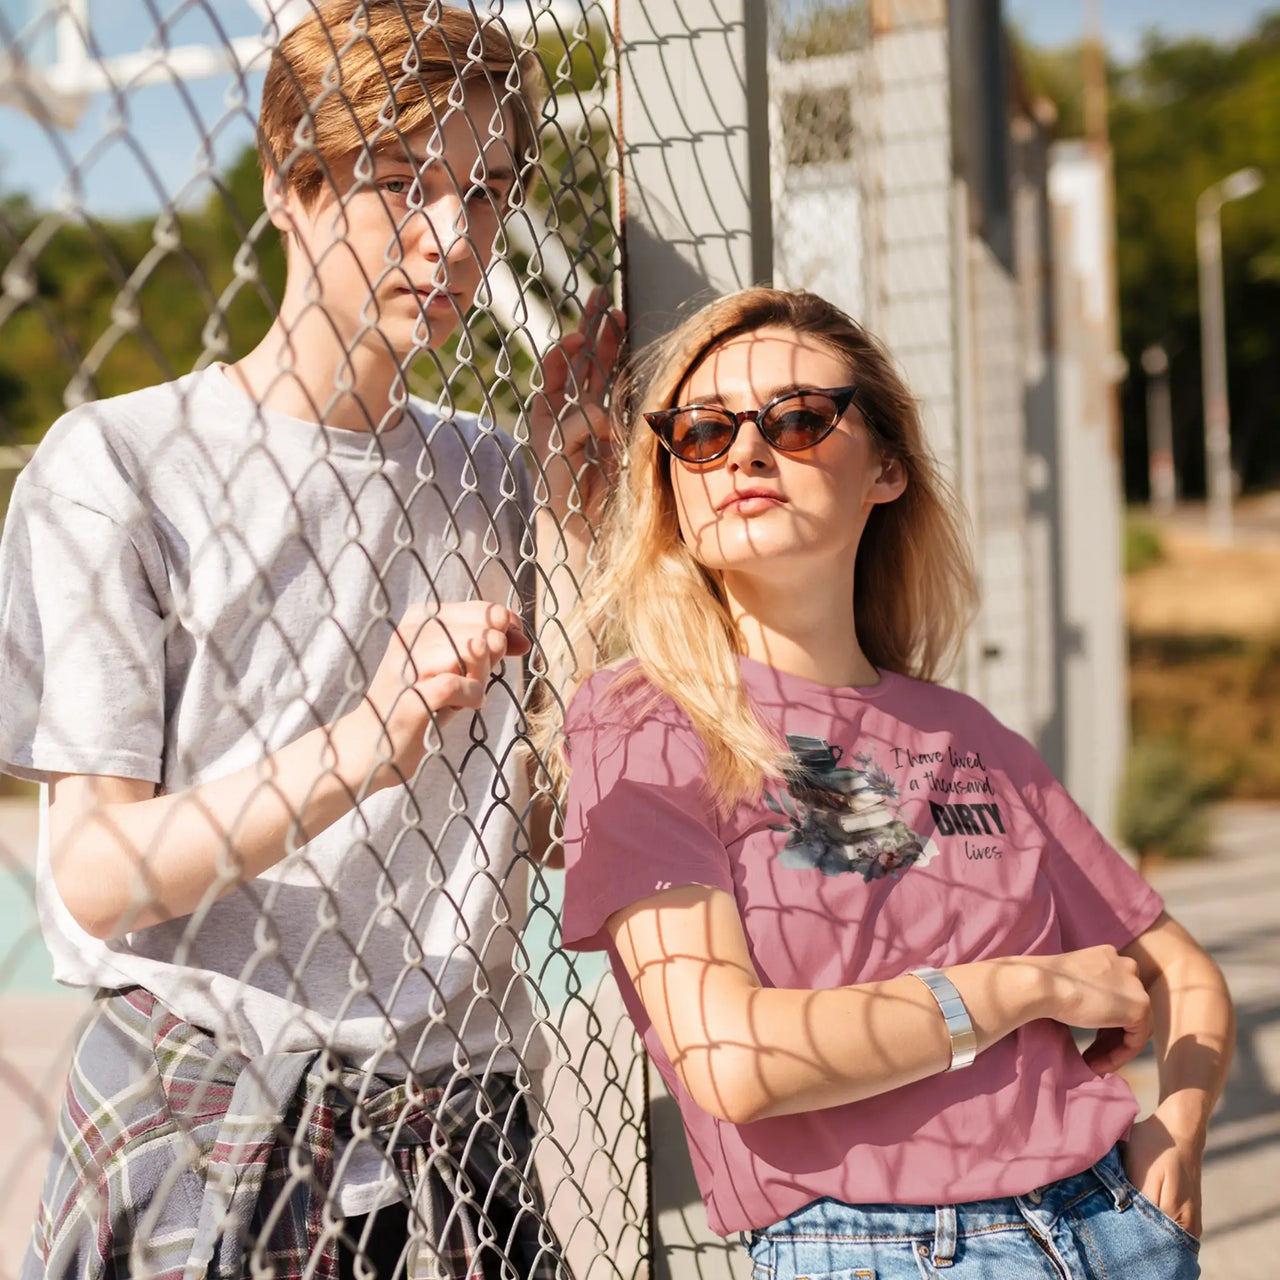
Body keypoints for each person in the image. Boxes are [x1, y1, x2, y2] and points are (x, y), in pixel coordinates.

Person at [0, 3, 619, 1277]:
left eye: (488, 194)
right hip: (209, 1115)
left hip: (465, 1130)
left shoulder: (498, 476)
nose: (452, 240)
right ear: (293, 186)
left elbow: (562, 829)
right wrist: (372, 740)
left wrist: (574, 544)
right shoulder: (116, 466)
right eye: (406, 184)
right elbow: (95, 870)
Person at [547, 287, 1234, 1279]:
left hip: (1106, 1221)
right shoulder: (646, 719)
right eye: (700, 433)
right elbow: (736, 1061)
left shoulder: (966, 733)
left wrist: (1179, 1121)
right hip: (878, 1248)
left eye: (795, 419)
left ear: (884, 467)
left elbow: (1182, 971)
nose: (743, 454)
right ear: (671, 482)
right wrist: (1025, 984)